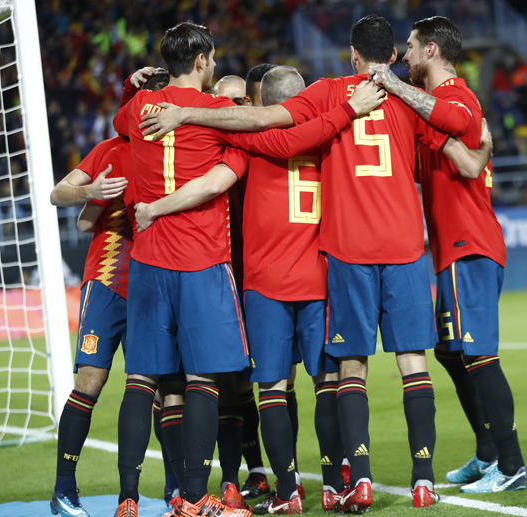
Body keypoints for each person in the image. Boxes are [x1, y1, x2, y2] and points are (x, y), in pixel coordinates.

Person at [139, 14, 490, 512]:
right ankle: (417, 479)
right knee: (411, 366)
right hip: (393, 254)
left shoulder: (321, 101)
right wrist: (483, 140)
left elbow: (260, 122)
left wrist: (184, 113)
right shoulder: (408, 101)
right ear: (392, 57)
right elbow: (468, 150)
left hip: (326, 262)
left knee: (332, 374)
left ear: (351, 54)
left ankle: (330, 484)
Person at [135, 66, 386, 515]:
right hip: (318, 278)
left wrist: (186, 116)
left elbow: (243, 138)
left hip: (265, 283)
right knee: (325, 383)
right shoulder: (328, 140)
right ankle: (335, 483)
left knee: (270, 389)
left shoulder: (249, 142)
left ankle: (287, 492)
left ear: (262, 103)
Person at [371, 16, 527, 493]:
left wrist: (395, 89)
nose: (405, 56)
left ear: (433, 51)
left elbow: (459, 125)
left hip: (470, 244)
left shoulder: (455, 96)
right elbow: (451, 161)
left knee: (479, 355)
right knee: (449, 350)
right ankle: (488, 453)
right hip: (450, 250)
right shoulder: (433, 111)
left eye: (412, 48)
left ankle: (512, 464)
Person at [112, 22, 253, 517]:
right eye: (211, 59)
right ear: (199, 61)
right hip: (200, 260)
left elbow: (118, 123)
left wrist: (134, 86)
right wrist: (164, 206)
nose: (213, 67)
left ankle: (128, 499)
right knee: (202, 381)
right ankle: (194, 499)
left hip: (147, 263)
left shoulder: (137, 109)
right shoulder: (220, 112)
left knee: (141, 381)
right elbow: (219, 180)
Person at [47, 68, 170, 517]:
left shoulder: (177, 150)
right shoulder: (111, 150)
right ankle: (64, 489)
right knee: (90, 383)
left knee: (155, 389)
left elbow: (84, 221)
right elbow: (59, 192)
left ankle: (161, 492)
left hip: (156, 284)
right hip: (107, 281)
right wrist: (92, 190)